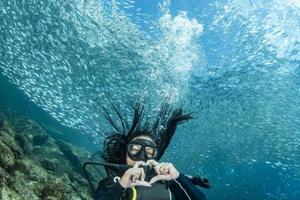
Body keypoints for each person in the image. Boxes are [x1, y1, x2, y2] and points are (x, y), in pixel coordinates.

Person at [94, 99, 207, 200]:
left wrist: (177, 179)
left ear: (155, 157)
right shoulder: (112, 183)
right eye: (134, 150)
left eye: (149, 152)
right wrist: (121, 187)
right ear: (125, 154)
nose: (141, 157)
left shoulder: (169, 181)